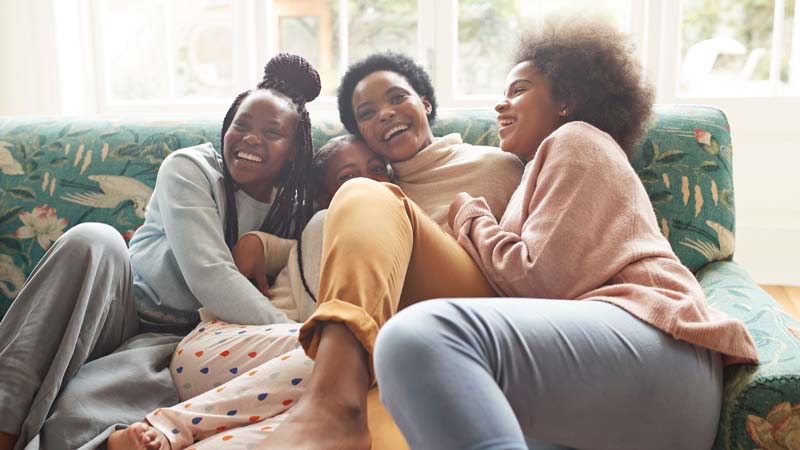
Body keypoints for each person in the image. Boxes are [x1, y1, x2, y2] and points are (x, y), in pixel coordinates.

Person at [372, 19, 760, 450]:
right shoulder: (539, 173)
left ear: (567, 100)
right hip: (638, 398)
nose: (500, 106)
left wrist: (469, 215)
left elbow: (539, 280)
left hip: (659, 342)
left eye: (519, 90)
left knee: (417, 339)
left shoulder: (576, 139)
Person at [0, 53, 320, 450]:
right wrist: (303, 338)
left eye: (272, 132)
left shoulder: (295, 207)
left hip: (181, 338)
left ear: (294, 150)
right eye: (242, 124)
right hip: (119, 307)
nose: (251, 138)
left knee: (83, 412)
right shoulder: (191, 168)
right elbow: (210, 274)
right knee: (94, 239)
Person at [257, 52, 524, 450]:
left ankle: (332, 403)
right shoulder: (363, 190)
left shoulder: (498, 166)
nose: (385, 113)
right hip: (397, 351)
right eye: (367, 112)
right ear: (362, 134)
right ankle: (342, 411)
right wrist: (260, 245)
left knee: (366, 192)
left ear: (426, 104)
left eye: (398, 98)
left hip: (478, 313)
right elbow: (308, 248)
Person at [106, 134, 399, 450]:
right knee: (360, 351)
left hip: (273, 382)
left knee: (314, 421)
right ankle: (169, 424)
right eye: (349, 177)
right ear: (325, 196)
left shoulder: (393, 237)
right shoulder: (328, 222)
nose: (367, 182)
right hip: (220, 346)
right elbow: (333, 313)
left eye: (377, 169)